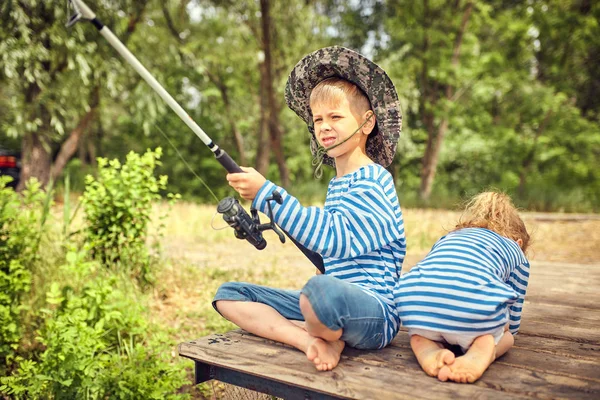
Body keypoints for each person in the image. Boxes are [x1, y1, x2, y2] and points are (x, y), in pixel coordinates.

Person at [212, 46, 406, 371]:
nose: (324, 127)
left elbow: (334, 237)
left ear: (367, 122)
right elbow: (333, 255)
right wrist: (325, 269)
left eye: (336, 117)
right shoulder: (337, 185)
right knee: (229, 294)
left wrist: (267, 194)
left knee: (318, 292)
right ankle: (309, 340)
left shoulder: (375, 182)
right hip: (330, 304)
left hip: (375, 313)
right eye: (318, 119)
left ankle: (322, 328)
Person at [395, 191, 531, 383]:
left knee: (422, 330)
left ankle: (425, 344)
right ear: (519, 243)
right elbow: (514, 311)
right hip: (471, 313)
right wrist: (506, 329)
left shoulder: (449, 237)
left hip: (415, 301)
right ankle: (486, 350)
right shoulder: (514, 250)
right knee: (508, 336)